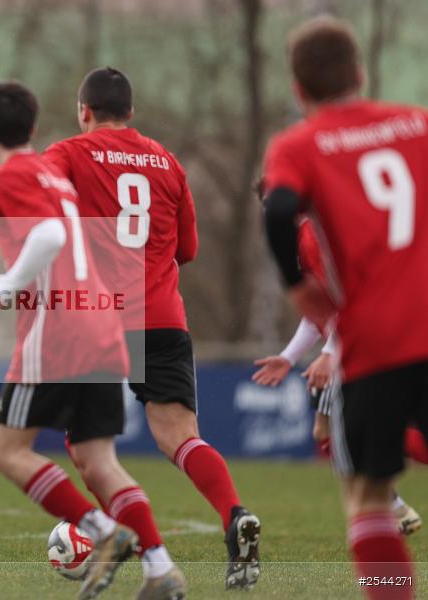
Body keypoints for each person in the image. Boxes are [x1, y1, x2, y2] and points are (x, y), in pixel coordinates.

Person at [0, 80, 186, 600]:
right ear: (34, 128)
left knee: (9, 452)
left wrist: (3, 286)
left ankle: (102, 532)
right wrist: (4, 286)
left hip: (59, 332)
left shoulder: (12, 175)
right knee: (101, 463)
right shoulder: (52, 173)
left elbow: (51, 237)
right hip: (102, 324)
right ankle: (161, 569)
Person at [44, 66, 261, 589]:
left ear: (84, 112)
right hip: (162, 318)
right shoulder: (167, 161)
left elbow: (37, 214)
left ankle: (126, 542)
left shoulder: (69, 153)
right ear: (132, 113)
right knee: (181, 438)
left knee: (86, 451)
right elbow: (187, 250)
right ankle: (234, 514)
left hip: (97, 319)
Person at [262, 16, 428, 599]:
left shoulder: (300, 144)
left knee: (368, 497)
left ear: (299, 90)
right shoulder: (418, 124)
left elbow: (279, 209)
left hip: (374, 340)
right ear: (360, 73)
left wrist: (296, 287)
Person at [253, 213, 423, 537]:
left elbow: (349, 298)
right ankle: (393, 507)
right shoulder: (307, 236)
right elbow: (321, 310)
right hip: (364, 340)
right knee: (330, 432)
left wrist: (330, 353)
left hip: (364, 345)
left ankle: (391, 511)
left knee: (342, 435)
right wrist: (289, 358)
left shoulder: (313, 234)